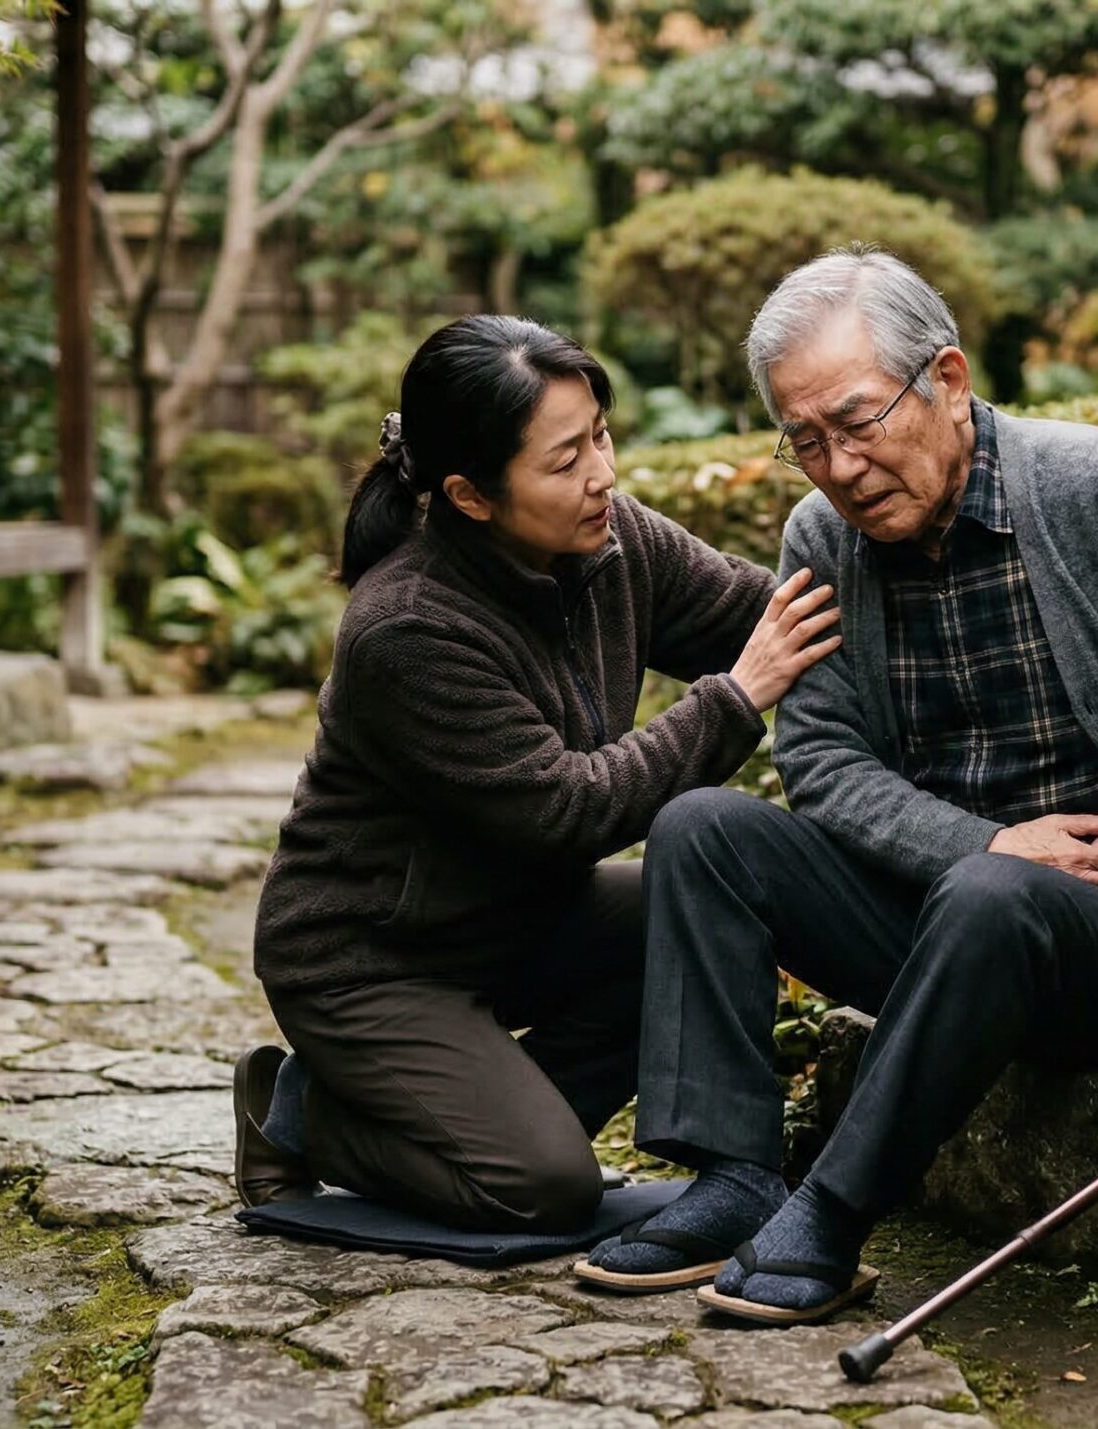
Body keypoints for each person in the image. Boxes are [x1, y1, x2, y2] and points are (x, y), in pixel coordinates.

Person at [574, 247, 1098, 1320]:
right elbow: (821, 762)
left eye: (858, 421)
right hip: (942, 925)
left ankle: (833, 1213)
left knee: (991, 896)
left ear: (946, 380)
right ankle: (734, 1179)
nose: (839, 467)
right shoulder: (823, 539)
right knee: (704, 828)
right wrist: (989, 843)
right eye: (805, 440)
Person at [232, 314, 841, 1233]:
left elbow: (773, 614)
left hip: (516, 915)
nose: (602, 474)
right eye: (565, 461)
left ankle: (475, 1115)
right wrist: (735, 698)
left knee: (705, 907)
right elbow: (570, 809)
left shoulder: (614, 540)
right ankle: (304, 1113)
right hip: (373, 958)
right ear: (470, 495)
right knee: (545, 1186)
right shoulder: (407, 628)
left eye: (600, 435)